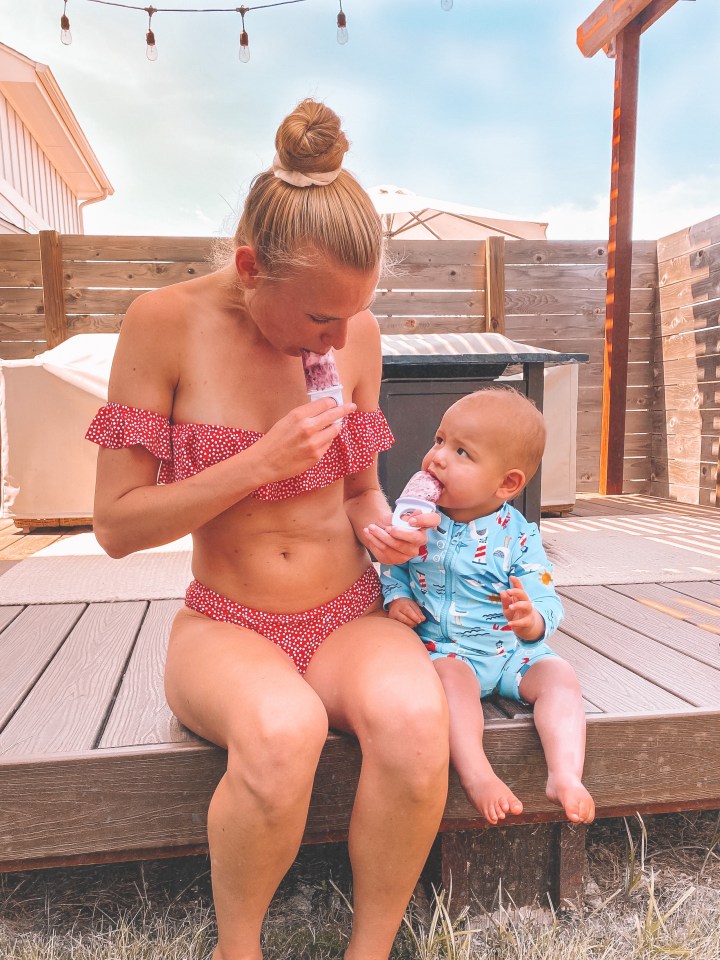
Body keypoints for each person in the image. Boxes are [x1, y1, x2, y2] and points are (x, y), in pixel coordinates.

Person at [86, 99, 449, 960]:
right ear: (250, 268)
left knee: (415, 720)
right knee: (284, 731)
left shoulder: (356, 335)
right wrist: (255, 464)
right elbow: (115, 526)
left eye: (354, 313)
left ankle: (370, 950)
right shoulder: (163, 324)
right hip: (227, 622)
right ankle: (237, 949)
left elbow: (361, 492)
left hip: (348, 614)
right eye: (321, 318)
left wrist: (386, 529)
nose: (339, 336)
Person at [380, 388, 595, 828]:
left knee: (560, 676)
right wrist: (397, 597)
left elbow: (545, 595)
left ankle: (565, 774)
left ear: (507, 484)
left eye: (462, 452)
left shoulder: (518, 536)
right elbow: (392, 565)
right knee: (450, 684)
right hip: (448, 651)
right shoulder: (418, 520)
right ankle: (478, 775)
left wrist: (531, 621)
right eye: (440, 440)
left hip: (511, 652)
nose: (438, 458)